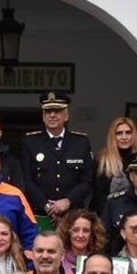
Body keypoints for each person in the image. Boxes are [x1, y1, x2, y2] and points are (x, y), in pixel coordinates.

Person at [19, 92, 94, 220]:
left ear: (66, 115)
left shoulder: (81, 142)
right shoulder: (30, 142)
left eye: (57, 111)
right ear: (43, 116)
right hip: (40, 213)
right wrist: (46, 206)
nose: (52, 115)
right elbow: (26, 180)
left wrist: (68, 201)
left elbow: (88, 180)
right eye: (48, 112)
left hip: (73, 214)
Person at [92, 116, 137, 215]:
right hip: (105, 215)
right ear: (113, 136)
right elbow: (98, 196)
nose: (124, 137)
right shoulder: (101, 160)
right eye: (119, 133)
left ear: (133, 135)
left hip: (135, 217)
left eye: (128, 132)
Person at [57, 208, 106, 274]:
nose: (80, 235)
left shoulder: (100, 261)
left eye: (86, 231)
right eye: (75, 230)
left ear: (92, 234)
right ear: (67, 232)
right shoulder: (57, 260)